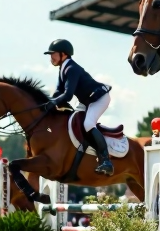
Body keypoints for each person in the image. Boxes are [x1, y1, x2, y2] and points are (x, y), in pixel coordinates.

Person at [43, 39, 114, 176]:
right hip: (86, 100)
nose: (51, 57)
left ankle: (106, 160)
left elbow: (68, 95)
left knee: (88, 123)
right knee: (73, 121)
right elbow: (58, 92)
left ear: (63, 54)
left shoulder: (71, 68)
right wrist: (47, 102)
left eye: (53, 54)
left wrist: (53, 103)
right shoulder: (63, 68)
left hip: (99, 98)